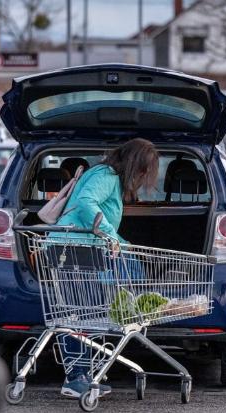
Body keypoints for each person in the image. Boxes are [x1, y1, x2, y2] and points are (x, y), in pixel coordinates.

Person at [53, 138, 160, 398]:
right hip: (75, 250)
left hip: (76, 248)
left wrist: (123, 244)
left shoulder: (105, 175)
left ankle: (82, 374)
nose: (143, 176)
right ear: (134, 164)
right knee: (80, 314)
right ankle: (75, 377)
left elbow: (96, 215)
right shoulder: (107, 175)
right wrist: (112, 236)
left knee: (83, 313)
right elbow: (87, 202)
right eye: (144, 170)